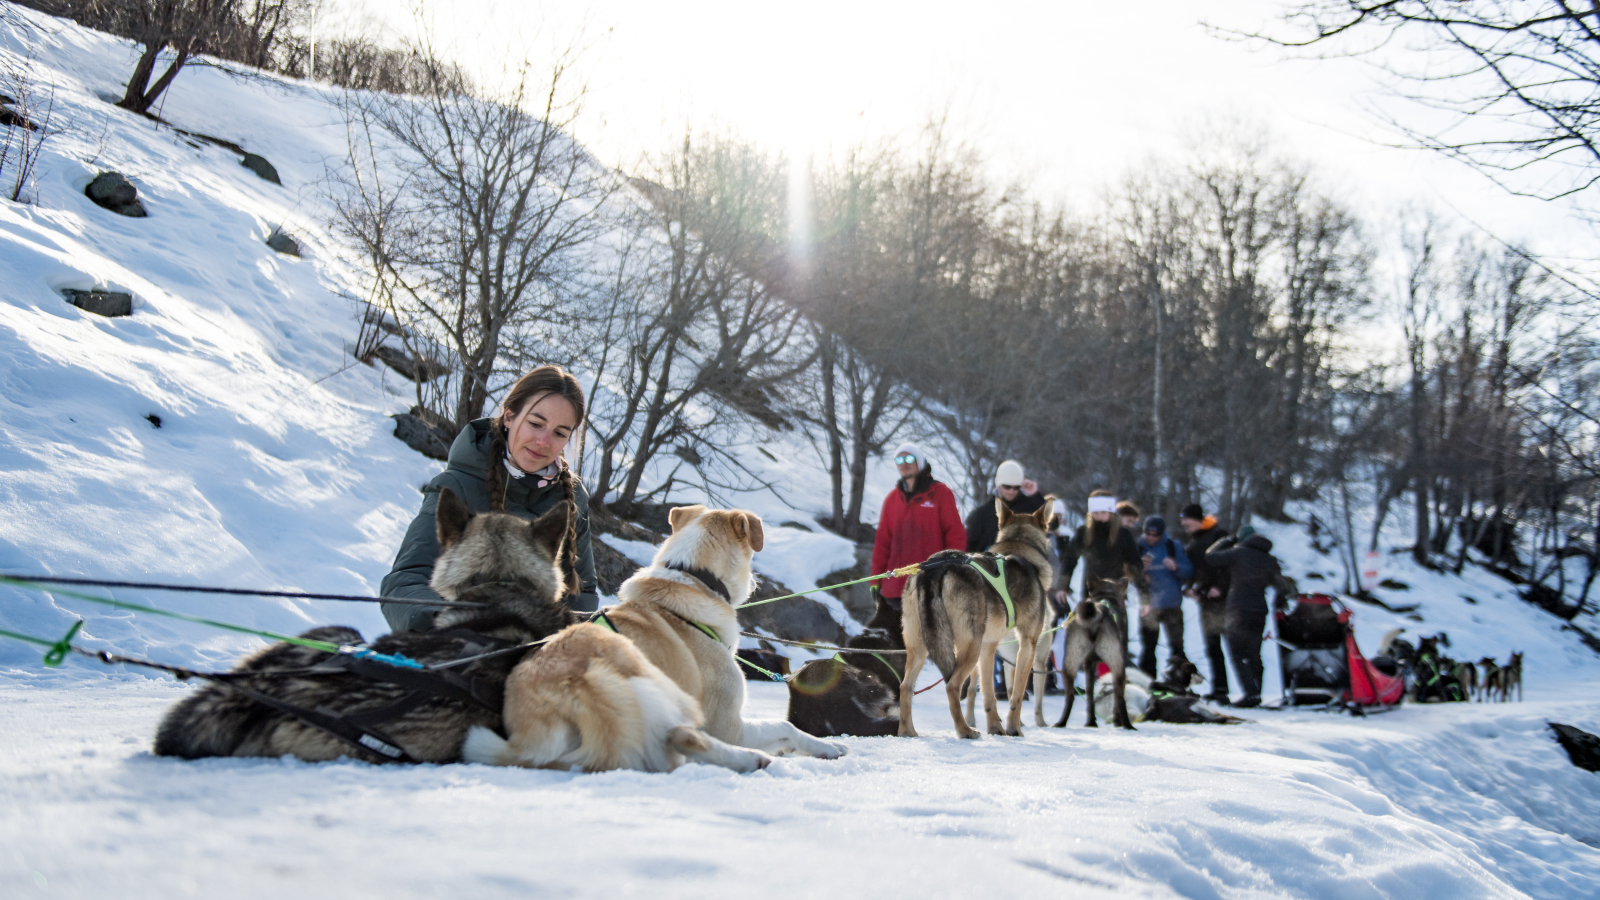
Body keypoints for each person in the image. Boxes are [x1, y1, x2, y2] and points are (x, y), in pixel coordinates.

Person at [381, 366, 599, 632]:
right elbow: (406, 579)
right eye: (535, 424)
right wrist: (445, 623)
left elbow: (583, 593)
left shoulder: (573, 497)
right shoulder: (458, 485)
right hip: (459, 647)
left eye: (559, 433)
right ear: (509, 416)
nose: (544, 441)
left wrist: (563, 640)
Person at [869, 443, 966, 639]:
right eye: (899, 460)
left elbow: (955, 534)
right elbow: (882, 543)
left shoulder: (940, 493)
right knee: (895, 646)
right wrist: (875, 580)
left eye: (909, 459)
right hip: (895, 589)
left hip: (929, 585)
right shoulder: (891, 499)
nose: (904, 464)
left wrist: (951, 571)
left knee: (925, 644)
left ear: (919, 462)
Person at [1204, 524, 1290, 708]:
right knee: (1254, 653)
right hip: (1260, 610)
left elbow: (1210, 557)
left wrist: (1226, 541)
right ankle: (1257, 692)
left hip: (1238, 608)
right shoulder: (1269, 559)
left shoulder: (1238, 552)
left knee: (1237, 652)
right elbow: (1283, 588)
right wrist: (1278, 605)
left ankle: (1250, 693)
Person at [1059, 490, 1147, 651]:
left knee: (1117, 643)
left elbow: (1135, 565)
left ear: (1111, 513)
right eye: (1096, 513)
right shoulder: (1083, 533)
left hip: (1116, 596)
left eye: (1103, 513)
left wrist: (1144, 597)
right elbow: (1069, 560)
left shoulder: (1123, 534)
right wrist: (1062, 586)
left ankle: (1116, 671)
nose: (1099, 517)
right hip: (1091, 595)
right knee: (1091, 643)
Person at [1180, 503, 1232, 702]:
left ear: (1199, 519)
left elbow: (1226, 567)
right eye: (1183, 520)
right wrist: (1191, 589)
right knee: (1212, 646)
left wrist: (1219, 586)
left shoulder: (1218, 536)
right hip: (1206, 601)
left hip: (1223, 600)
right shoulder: (1194, 542)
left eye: (1188, 519)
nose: (1184, 523)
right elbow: (1195, 571)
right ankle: (1221, 689)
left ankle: (1248, 690)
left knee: (1231, 645)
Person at [1136, 515, 1193, 679]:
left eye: (1155, 535)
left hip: (1172, 604)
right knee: (1148, 647)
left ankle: (1179, 682)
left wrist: (1176, 566)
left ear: (1162, 534)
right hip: (1149, 605)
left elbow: (1189, 570)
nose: (1151, 538)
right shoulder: (1138, 547)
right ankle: (1147, 682)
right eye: (1148, 534)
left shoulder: (1172, 546)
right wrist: (1140, 573)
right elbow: (1126, 575)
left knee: (1177, 646)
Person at [964, 459, 1046, 552]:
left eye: (1016, 487)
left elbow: (1053, 524)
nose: (1011, 491)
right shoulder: (983, 514)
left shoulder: (1030, 507)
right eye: (1007, 486)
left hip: (1025, 563)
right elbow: (970, 547)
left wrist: (1035, 495)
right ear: (998, 484)